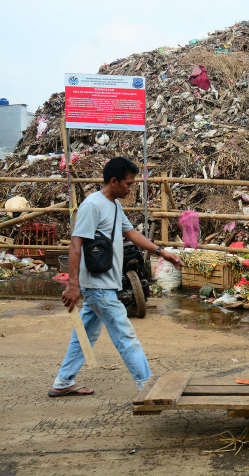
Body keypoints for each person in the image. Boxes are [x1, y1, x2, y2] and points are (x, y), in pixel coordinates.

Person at [49, 157, 184, 397]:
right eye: (129, 184)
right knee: (125, 335)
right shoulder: (93, 205)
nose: (130, 188)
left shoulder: (114, 205)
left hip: (104, 284)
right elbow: (75, 244)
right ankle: (147, 386)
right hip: (98, 286)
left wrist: (162, 253)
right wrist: (72, 285)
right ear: (114, 181)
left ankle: (63, 381)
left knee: (86, 334)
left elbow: (131, 233)